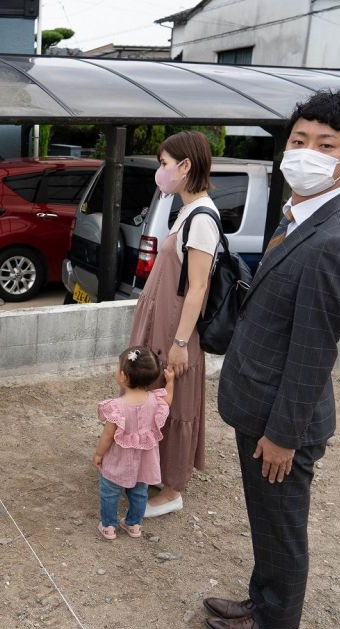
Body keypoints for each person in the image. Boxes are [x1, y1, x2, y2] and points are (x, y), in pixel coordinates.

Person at [206, 90, 340, 629]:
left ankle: (280, 626)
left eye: (325, 145)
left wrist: (282, 435)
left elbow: (313, 350)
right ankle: (262, 599)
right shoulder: (302, 212)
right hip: (259, 399)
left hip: (282, 418)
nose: (306, 152)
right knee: (265, 514)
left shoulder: (332, 240)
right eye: (299, 140)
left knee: (281, 523)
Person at [129, 131, 220, 518]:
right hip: (163, 323)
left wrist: (181, 341)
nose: (161, 172)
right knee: (156, 398)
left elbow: (198, 287)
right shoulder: (187, 210)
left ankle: (171, 489)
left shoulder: (202, 217)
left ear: (185, 166)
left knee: (174, 400)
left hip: (175, 328)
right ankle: (154, 472)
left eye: (165, 164)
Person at [93, 346, 174, 541]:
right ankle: (134, 524)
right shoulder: (155, 401)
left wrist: (98, 454)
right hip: (144, 462)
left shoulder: (116, 407)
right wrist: (171, 382)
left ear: (122, 376)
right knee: (139, 492)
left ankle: (109, 527)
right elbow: (168, 400)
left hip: (118, 461)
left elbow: (107, 436)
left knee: (110, 492)